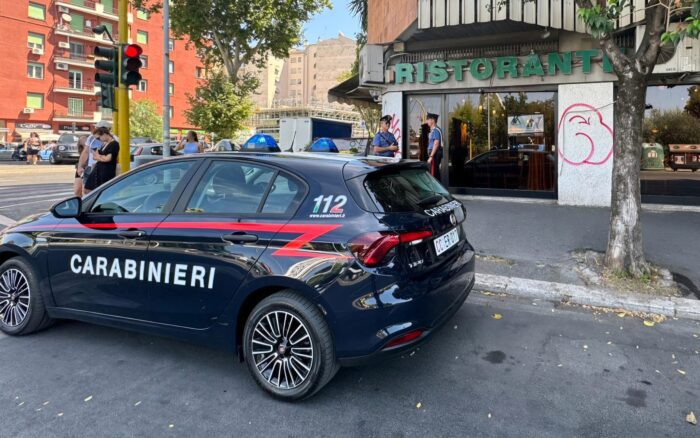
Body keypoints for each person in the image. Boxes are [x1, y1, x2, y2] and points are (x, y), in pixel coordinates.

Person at [84, 127, 119, 192]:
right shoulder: (104, 144)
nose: (98, 140)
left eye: (98, 138)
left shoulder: (114, 144)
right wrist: (100, 157)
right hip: (99, 170)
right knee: (87, 189)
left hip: (106, 172)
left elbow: (108, 158)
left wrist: (98, 157)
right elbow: (94, 156)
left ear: (104, 134)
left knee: (102, 191)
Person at [426, 113, 443, 181]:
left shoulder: (436, 130)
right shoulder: (433, 130)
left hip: (435, 154)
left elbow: (436, 143)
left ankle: (438, 190)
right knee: (434, 173)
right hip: (434, 154)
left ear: (432, 120)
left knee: (434, 174)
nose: (427, 121)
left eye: (428, 119)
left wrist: (431, 156)